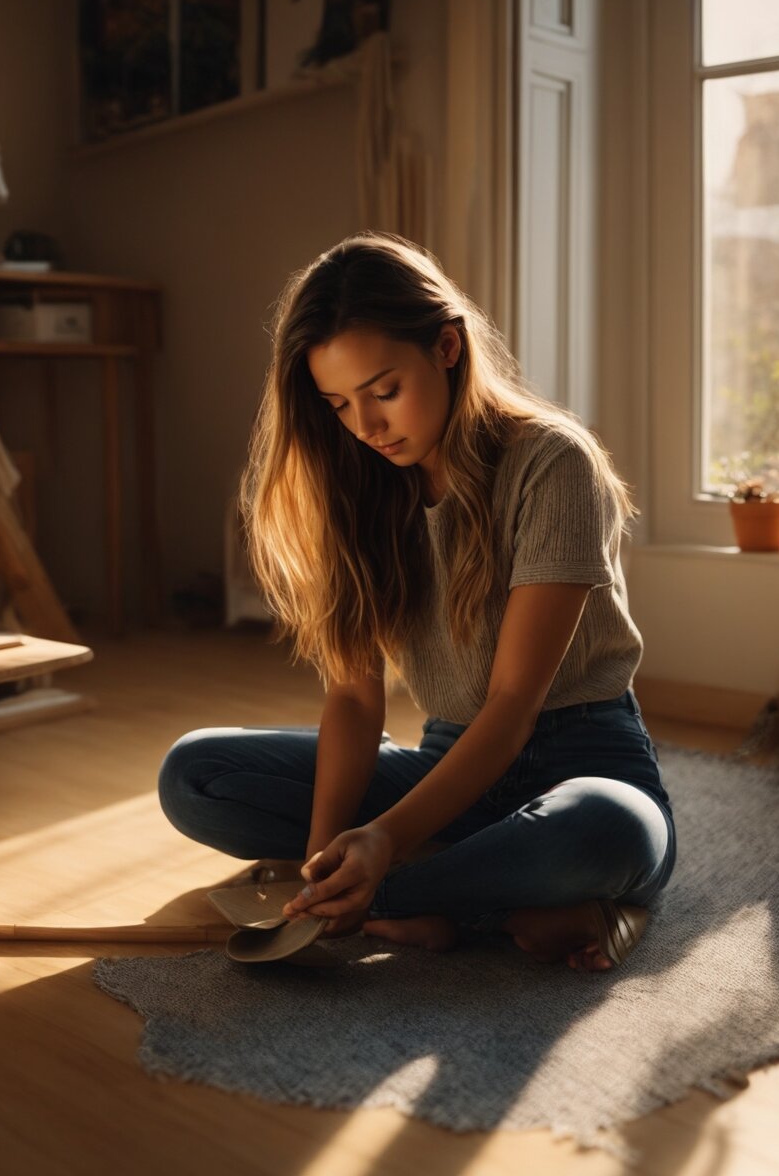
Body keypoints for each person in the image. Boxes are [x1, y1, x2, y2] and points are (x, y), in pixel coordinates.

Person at [159, 232, 676, 970]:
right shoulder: (358, 483)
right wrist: (321, 867)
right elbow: (353, 701)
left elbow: (511, 706)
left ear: (446, 348)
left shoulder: (555, 463)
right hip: (445, 771)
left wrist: (386, 844)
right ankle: (481, 895)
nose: (366, 427)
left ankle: (421, 895)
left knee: (607, 831)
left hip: (580, 760)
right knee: (194, 776)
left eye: (383, 392)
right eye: (339, 404)